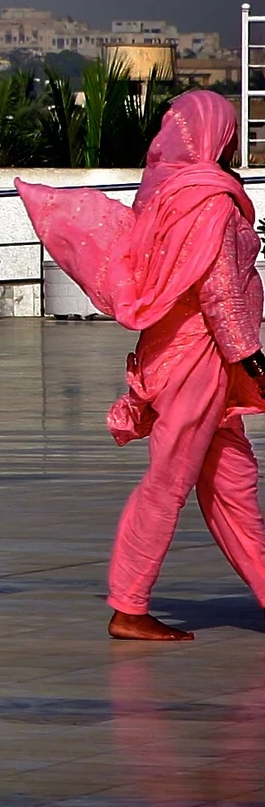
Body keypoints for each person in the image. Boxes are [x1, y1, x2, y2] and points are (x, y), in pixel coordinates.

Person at [20, 90, 265, 642]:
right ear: (218, 137)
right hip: (203, 354)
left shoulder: (166, 193)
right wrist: (253, 358)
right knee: (170, 478)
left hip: (180, 352)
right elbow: (220, 290)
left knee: (232, 482)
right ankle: (129, 605)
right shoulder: (211, 200)